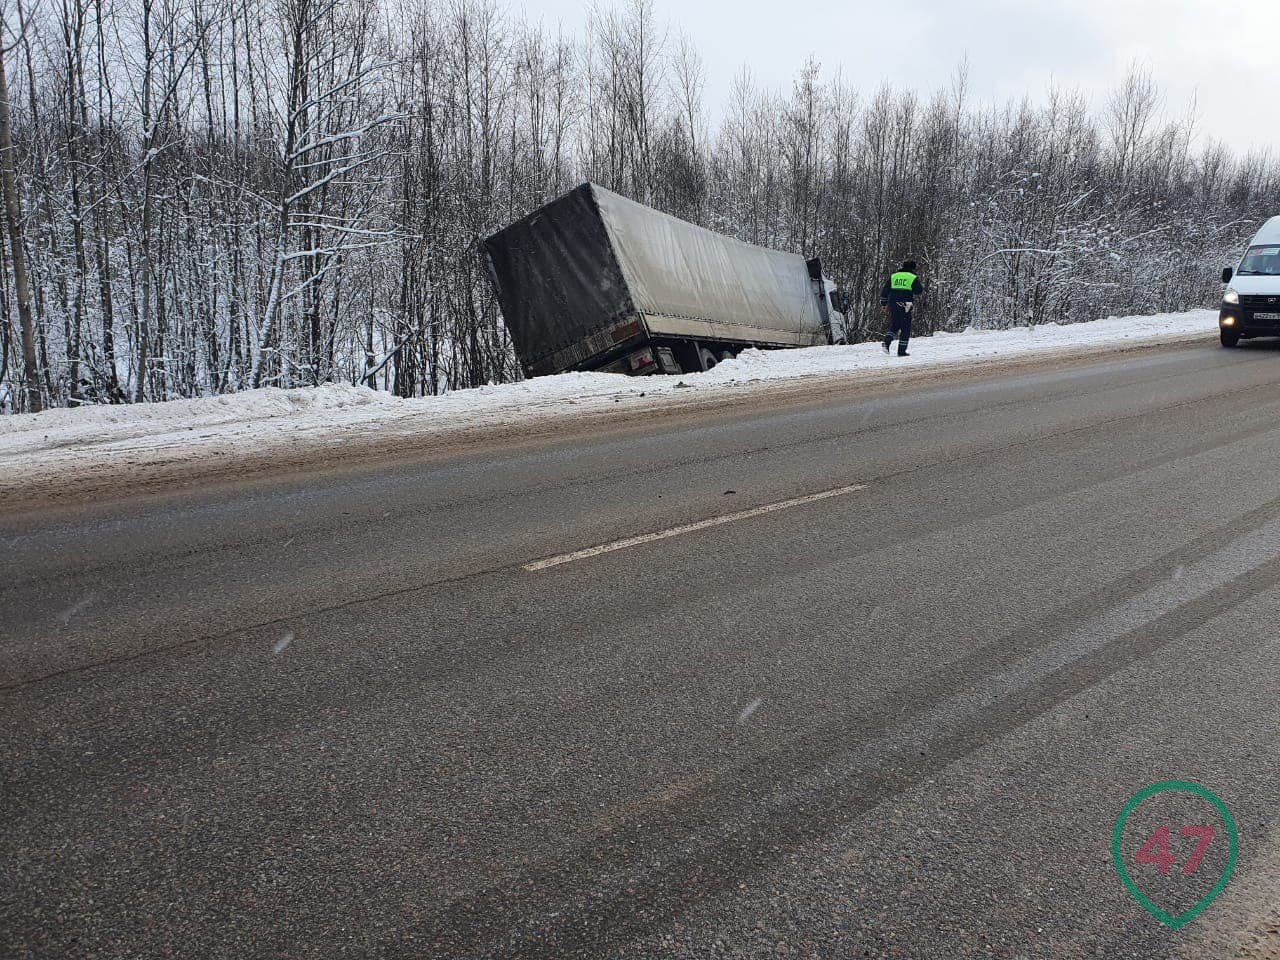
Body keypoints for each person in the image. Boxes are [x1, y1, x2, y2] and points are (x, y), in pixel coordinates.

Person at [881, 259, 924, 356]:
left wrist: (884, 304)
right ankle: (901, 351)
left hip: (893, 304)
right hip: (905, 305)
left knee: (895, 325)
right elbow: (919, 290)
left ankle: (887, 342)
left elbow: (885, 290)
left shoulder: (894, 276)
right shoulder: (912, 277)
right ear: (913, 268)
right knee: (905, 328)